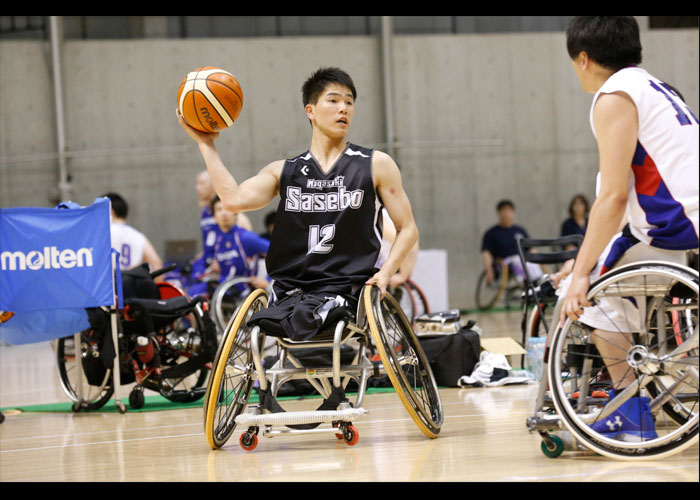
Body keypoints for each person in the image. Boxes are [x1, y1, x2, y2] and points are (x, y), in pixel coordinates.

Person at [176, 66, 418, 341]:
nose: (344, 109)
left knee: (311, 316)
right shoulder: (284, 171)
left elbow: (408, 228)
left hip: (347, 289)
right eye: (334, 100)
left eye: (349, 102)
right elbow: (233, 200)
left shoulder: (375, 164)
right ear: (310, 110)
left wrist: (386, 274)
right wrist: (206, 144)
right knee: (265, 321)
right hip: (291, 290)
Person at [556, 16, 698, 441]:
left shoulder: (614, 96)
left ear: (583, 58)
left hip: (677, 225)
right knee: (597, 269)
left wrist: (581, 273)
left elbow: (614, 197)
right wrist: (584, 258)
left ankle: (628, 403)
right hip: (680, 223)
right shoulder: (658, 88)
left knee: (580, 297)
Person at [481, 199, 542, 285]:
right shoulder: (491, 233)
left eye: (508, 210)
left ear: (513, 212)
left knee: (531, 261)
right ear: (498, 213)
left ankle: (537, 281)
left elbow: (531, 248)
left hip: (524, 260)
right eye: (503, 211)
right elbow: (486, 253)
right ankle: (535, 281)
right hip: (504, 263)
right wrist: (489, 270)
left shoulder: (520, 230)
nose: (506, 214)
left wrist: (538, 258)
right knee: (517, 260)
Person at [103, 192, 163, 273]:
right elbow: (156, 263)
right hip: (133, 282)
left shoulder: (102, 233)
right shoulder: (138, 236)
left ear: (110, 211)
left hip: (110, 283)